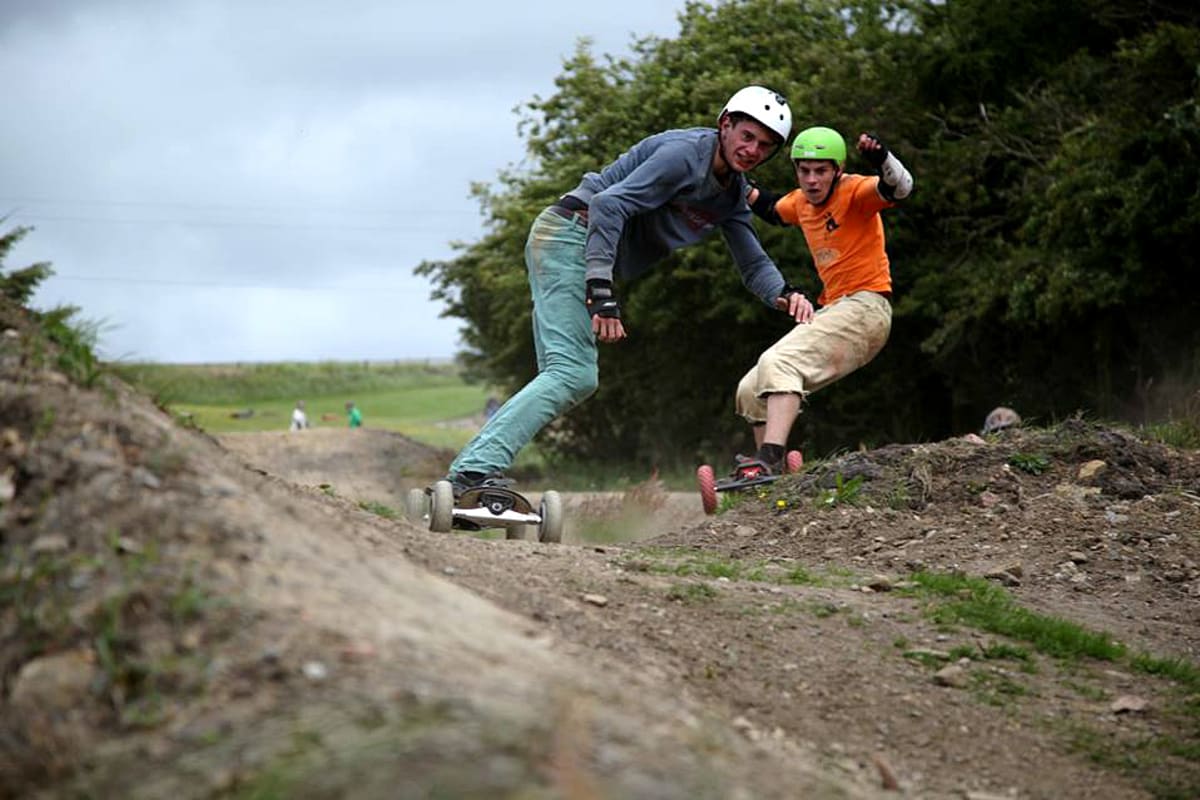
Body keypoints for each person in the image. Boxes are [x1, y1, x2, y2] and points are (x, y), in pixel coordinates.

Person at [443, 86, 810, 496]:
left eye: (765, 146)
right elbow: (607, 204)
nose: (752, 150)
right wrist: (601, 291)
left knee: (563, 374)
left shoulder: (731, 193)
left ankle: (470, 470)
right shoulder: (684, 155)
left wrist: (783, 293)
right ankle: (472, 474)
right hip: (571, 237)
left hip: (574, 244)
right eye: (747, 136)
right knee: (573, 373)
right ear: (725, 124)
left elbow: (753, 261)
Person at [732, 125, 914, 474]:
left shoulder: (855, 192)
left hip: (867, 307)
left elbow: (900, 189)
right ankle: (768, 477)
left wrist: (881, 157)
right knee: (750, 389)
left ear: (837, 171)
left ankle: (768, 460)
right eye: (804, 171)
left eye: (821, 171)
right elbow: (769, 207)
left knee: (779, 363)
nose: (812, 180)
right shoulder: (801, 203)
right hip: (838, 309)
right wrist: (730, 181)